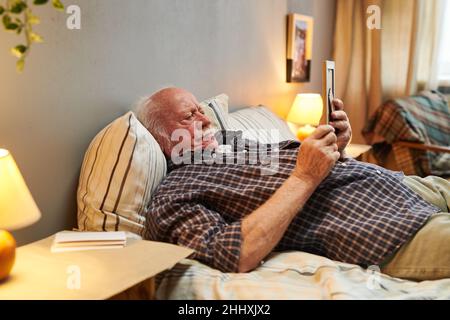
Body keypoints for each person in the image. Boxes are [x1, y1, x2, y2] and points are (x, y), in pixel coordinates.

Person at [136, 87, 450, 281]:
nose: (205, 119)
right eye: (188, 115)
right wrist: (305, 175)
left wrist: (336, 148)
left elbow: (304, 163)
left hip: (405, 187)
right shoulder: (176, 193)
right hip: (385, 228)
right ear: (163, 139)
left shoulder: (231, 144)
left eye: (201, 109)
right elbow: (232, 253)